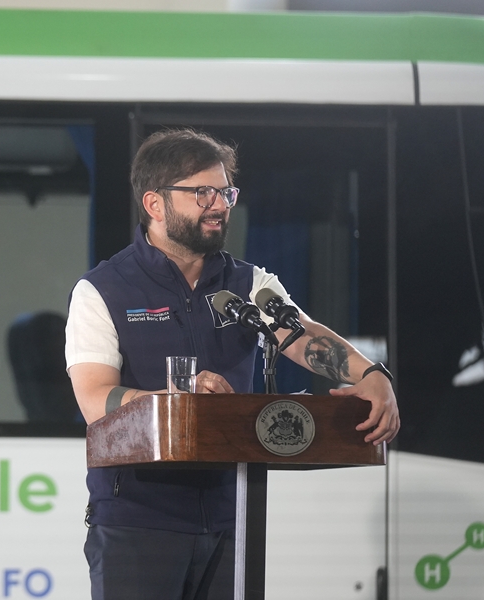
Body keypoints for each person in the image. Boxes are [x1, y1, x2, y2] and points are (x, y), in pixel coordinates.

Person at [65, 129, 399, 600]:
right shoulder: (103, 290)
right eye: (201, 192)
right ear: (154, 204)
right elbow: (96, 399)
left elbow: (301, 335)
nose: (219, 204)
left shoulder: (249, 285)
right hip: (138, 523)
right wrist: (176, 407)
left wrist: (372, 376)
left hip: (233, 517)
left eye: (225, 191)